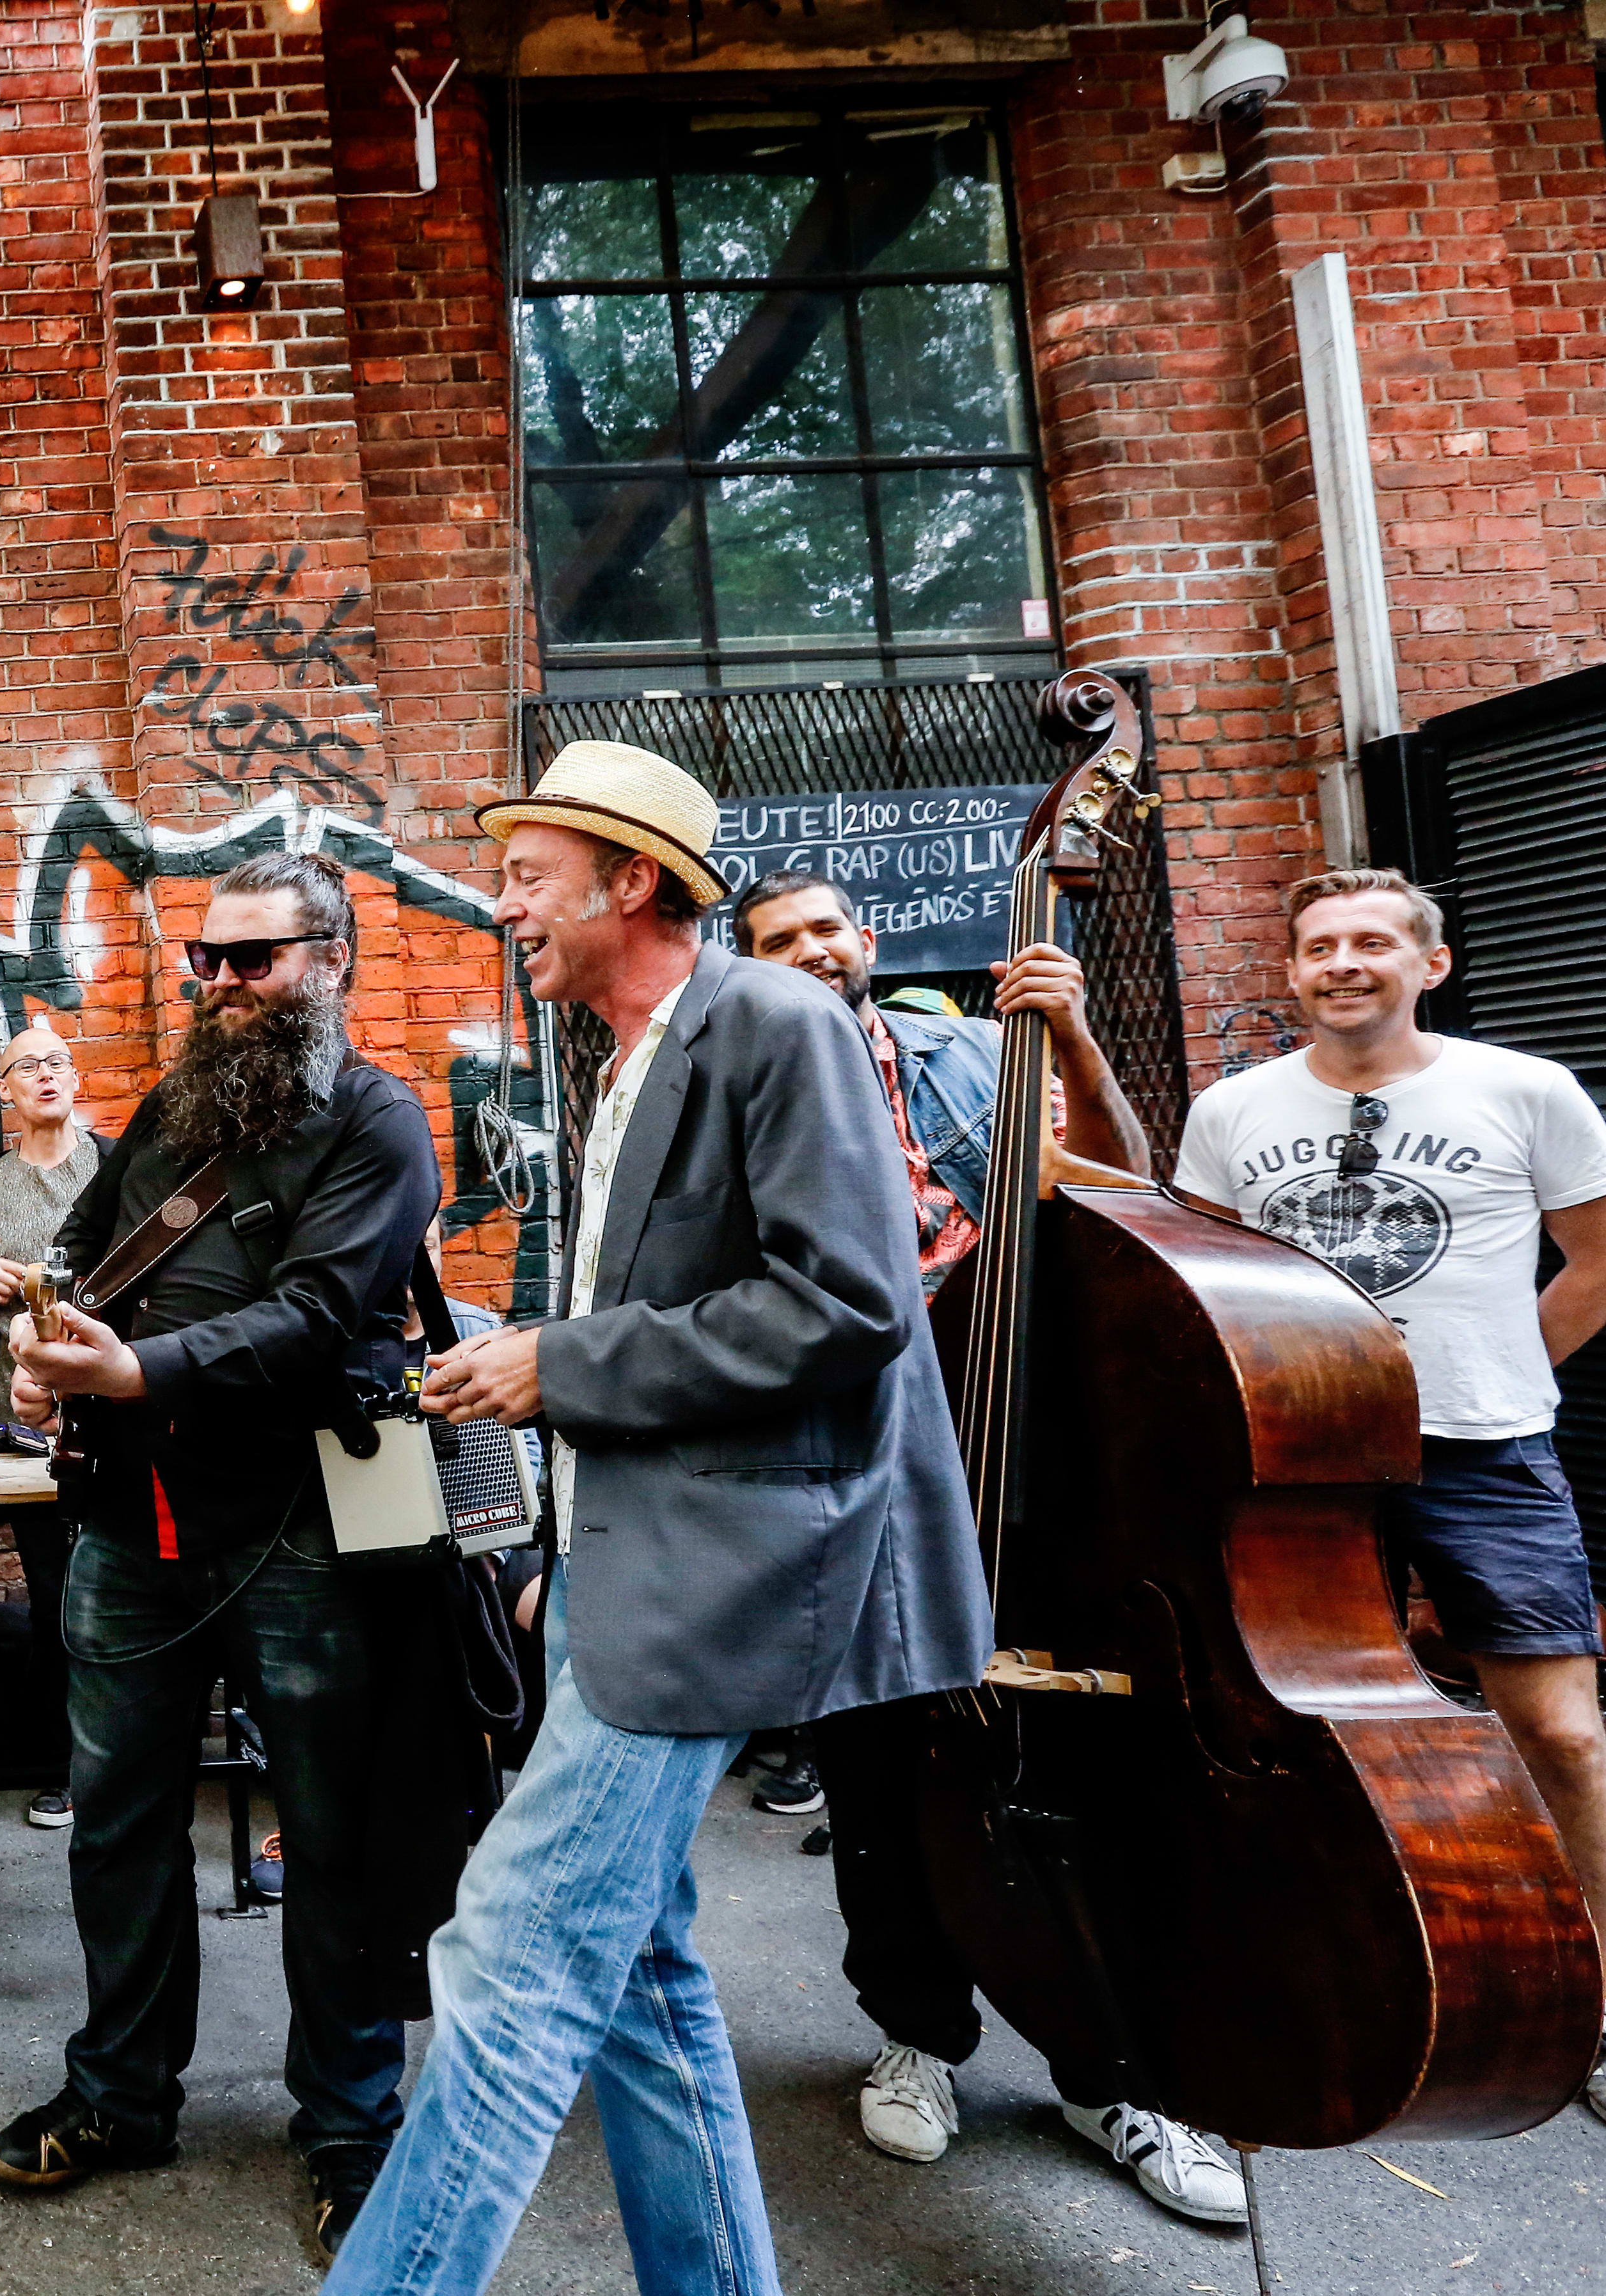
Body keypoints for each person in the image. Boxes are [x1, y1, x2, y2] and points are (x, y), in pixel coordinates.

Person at [326, 741, 991, 2296]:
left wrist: (557, 1361)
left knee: (510, 1950)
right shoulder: (628, 1056)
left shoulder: (770, 1013)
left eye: (530, 879)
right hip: (635, 1577)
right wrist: (567, 1550)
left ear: (633, 881)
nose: (504, 909)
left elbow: (849, 1299)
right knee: (637, 1976)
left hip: (726, 1579)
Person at [728, 873, 1238, 2218]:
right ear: (751, 971)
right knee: (879, 1772)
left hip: (1034, 1463)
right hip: (861, 1474)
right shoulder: (744, 1086)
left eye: (827, 929)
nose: (811, 952)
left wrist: (1067, 1035)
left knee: (1084, 1785)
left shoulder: (975, 1051)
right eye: (778, 942)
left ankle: (1110, 2072)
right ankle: (916, 2034)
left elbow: (1127, 1182)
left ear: (868, 942)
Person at [0, 849, 441, 2264]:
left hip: (307, 1523)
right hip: (132, 1525)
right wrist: (39, 1351)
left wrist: (137, 1369)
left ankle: (350, 2128)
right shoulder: (167, 1111)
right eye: (207, 958)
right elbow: (73, 1251)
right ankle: (122, 2095)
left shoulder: (378, 1121)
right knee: (117, 1820)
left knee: (334, 1833)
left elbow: (318, 1315)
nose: (225, 983)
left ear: (332, 957)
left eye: (256, 957)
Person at [1172, 867, 1606, 2121]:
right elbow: (1204, 1280)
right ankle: (1339, 1970)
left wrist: (1503, 1366)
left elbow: (1595, 1263)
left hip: (1482, 1447)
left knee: (1563, 1732)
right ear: (1292, 971)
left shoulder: (1524, 1091)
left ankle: (1596, 1995)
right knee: (1292, 1730)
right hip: (1296, 1461)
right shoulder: (1233, 1108)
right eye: (1318, 946)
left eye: (1371, 941)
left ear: (1430, 962)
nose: (1342, 962)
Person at [0, 1021, 104, 1829]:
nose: (45, 1075)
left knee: (124, 1590)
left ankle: (126, 1757)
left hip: (118, 1410)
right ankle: (62, 1765)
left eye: (57, 1062)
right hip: (26, 1426)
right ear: (5, 1090)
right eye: (27, 1067)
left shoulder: (115, 1166)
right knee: (52, 1599)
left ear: (75, 1078)